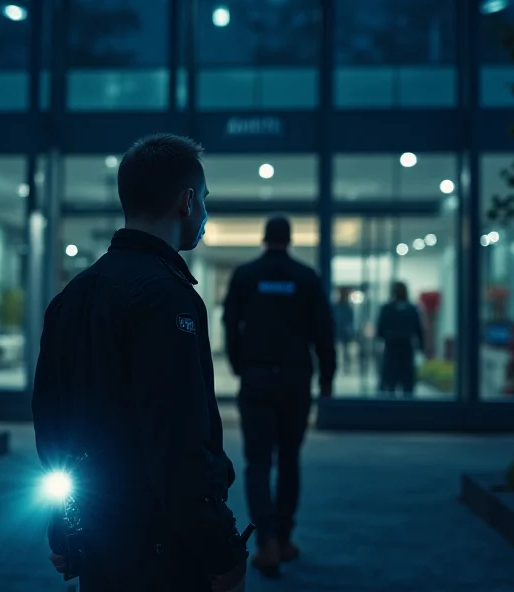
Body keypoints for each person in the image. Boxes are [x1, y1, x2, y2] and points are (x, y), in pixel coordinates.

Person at [32, 133, 249, 592]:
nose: (207, 214)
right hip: (160, 548)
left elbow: (52, 426)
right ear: (187, 201)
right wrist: (220, 549)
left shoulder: (72, 296)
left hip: (97, 538)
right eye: (205, 200)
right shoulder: (167, 298)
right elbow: (178, 446)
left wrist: (63, 526)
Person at [222, 215, 336, 578]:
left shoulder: (245, 275)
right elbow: (324, 330)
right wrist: (327, 377)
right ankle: (284, 540)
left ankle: (266, 544)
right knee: (289, 460)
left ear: (263, 238)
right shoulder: (305, 277)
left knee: (258, 462)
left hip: (256, 377)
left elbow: (230, 324)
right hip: (295, 380)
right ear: (289, 239)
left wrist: (241, 366)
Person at [376, 281, 425, 398]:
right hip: (406, 347)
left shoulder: (386, 308)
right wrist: (421, 347)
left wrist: (389, 336)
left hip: (391, 347)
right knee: (406, 382)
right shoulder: (412, 309)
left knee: (391, 380)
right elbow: (418, 330)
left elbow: (380, 330)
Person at [333, 287, 356, 372]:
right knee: (340, 348)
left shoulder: (344, 307)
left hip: (342, 330)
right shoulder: (339, 307)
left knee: (344, 348)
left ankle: (345, 364)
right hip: (339, 330)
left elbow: (349, 319)